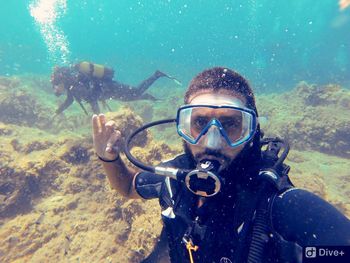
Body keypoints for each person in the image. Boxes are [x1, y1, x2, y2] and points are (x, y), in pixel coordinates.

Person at [92, 67, 350, 263]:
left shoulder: (278, 205)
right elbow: (126, 186)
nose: (212, 142)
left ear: (252, 132)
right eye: (199, 123)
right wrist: (109, 158)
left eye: (230, 124)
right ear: (184, 127)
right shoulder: (174, 177)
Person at [51, 61, 177, 115]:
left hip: (110, 88)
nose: (56, 90)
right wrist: (58, 111)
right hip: (109, 92)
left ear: (60, 82)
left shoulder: (75, 85)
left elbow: (93, 99)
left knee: (136, 92)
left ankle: (157, 75)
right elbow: (70, 100)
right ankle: (150, 97)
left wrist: (98, 117)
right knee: (131, 97)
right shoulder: (72, 86)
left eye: (55, 87)